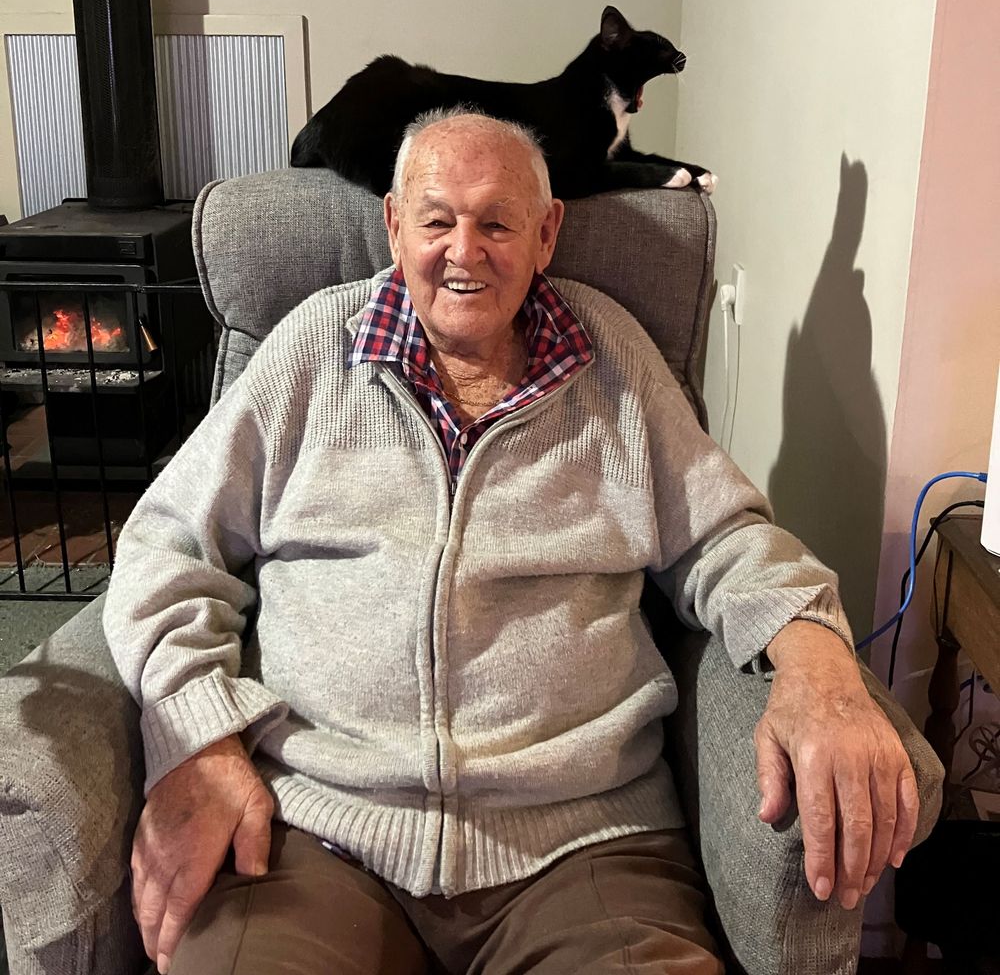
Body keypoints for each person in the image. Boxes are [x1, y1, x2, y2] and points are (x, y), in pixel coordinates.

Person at [103, 110, 919, 975]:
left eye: (497, 222)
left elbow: (724, 538)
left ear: (546, 233)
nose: (465, 251)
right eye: (437, 220)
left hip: (581, 843)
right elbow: (168, 544)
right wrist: (200, 739)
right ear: (393, 226)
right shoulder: (311, 352)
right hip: (318, 828)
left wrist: (818, 661)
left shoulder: (612, 360)